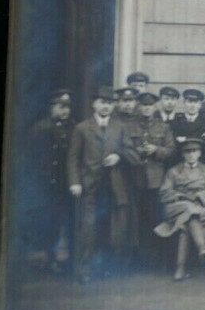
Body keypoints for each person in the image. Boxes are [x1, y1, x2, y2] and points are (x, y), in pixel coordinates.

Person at [67, 86, 136, 284]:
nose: (106, 106)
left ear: (113, 106)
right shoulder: (82, 128)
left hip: (114, 186)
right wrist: (75, 182)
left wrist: (118, 155)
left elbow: (132, 154)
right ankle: (84, 270)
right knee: (88, 228)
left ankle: (107, 268)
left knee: (112, 229)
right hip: (90, 185)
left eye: (109, 103)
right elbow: (72, 159)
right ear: (94, 104)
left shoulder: (120, 127)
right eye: (102, 102)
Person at [153, 137, 205, 282]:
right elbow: (165, 192)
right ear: (182, 154)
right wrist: (181, 197)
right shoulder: (174, 171)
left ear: (199, 153)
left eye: (194, 151)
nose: (191, 155)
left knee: (185, 226)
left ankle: (180, 269)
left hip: (202, 208)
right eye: (187, 152)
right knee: (188, 210)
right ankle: (202, 248)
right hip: (178, 207)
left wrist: (198, 196)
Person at [24, 89, 75, 273]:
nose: (65, 111)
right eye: (61, 107)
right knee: (49, 222)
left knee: (67, 221)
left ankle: (65, 260)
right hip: (46, 185)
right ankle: (49, 258)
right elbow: (30, 160)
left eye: (67, 107)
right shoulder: (40, 129)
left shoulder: (73, 127)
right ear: (51, 107)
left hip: (67, 184)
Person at [125, 91, 174, 260]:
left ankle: (155, 256)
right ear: (139, 106)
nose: (147, 108)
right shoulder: (130, 126)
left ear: (155, 106)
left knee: (155, 217)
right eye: (144, 105)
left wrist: (156, 150)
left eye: (150, 105)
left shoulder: (163, 127)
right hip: (135, 177)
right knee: (135, 219)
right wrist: (136, 152)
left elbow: (171, 150)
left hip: (155, 179)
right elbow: (124, 148)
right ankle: (136, 257)